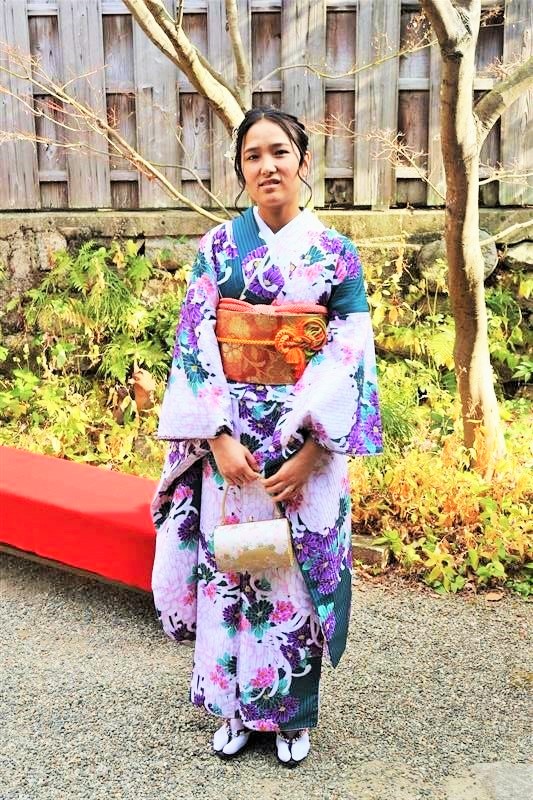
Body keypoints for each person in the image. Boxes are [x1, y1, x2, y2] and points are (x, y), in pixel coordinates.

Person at [151, 107, 383, 766]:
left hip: (304, 449)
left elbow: (350, 352)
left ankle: (289, 717)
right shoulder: (218, 249)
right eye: (252, 156)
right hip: (233, 450)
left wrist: (313, 452)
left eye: (279, 152)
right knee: (232, 571)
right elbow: (195, 341)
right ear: (241, 171)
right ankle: (232, 708)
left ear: (302, 162)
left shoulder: (335, 253)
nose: (267, 165)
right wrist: (216, 438)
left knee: (292, 581)